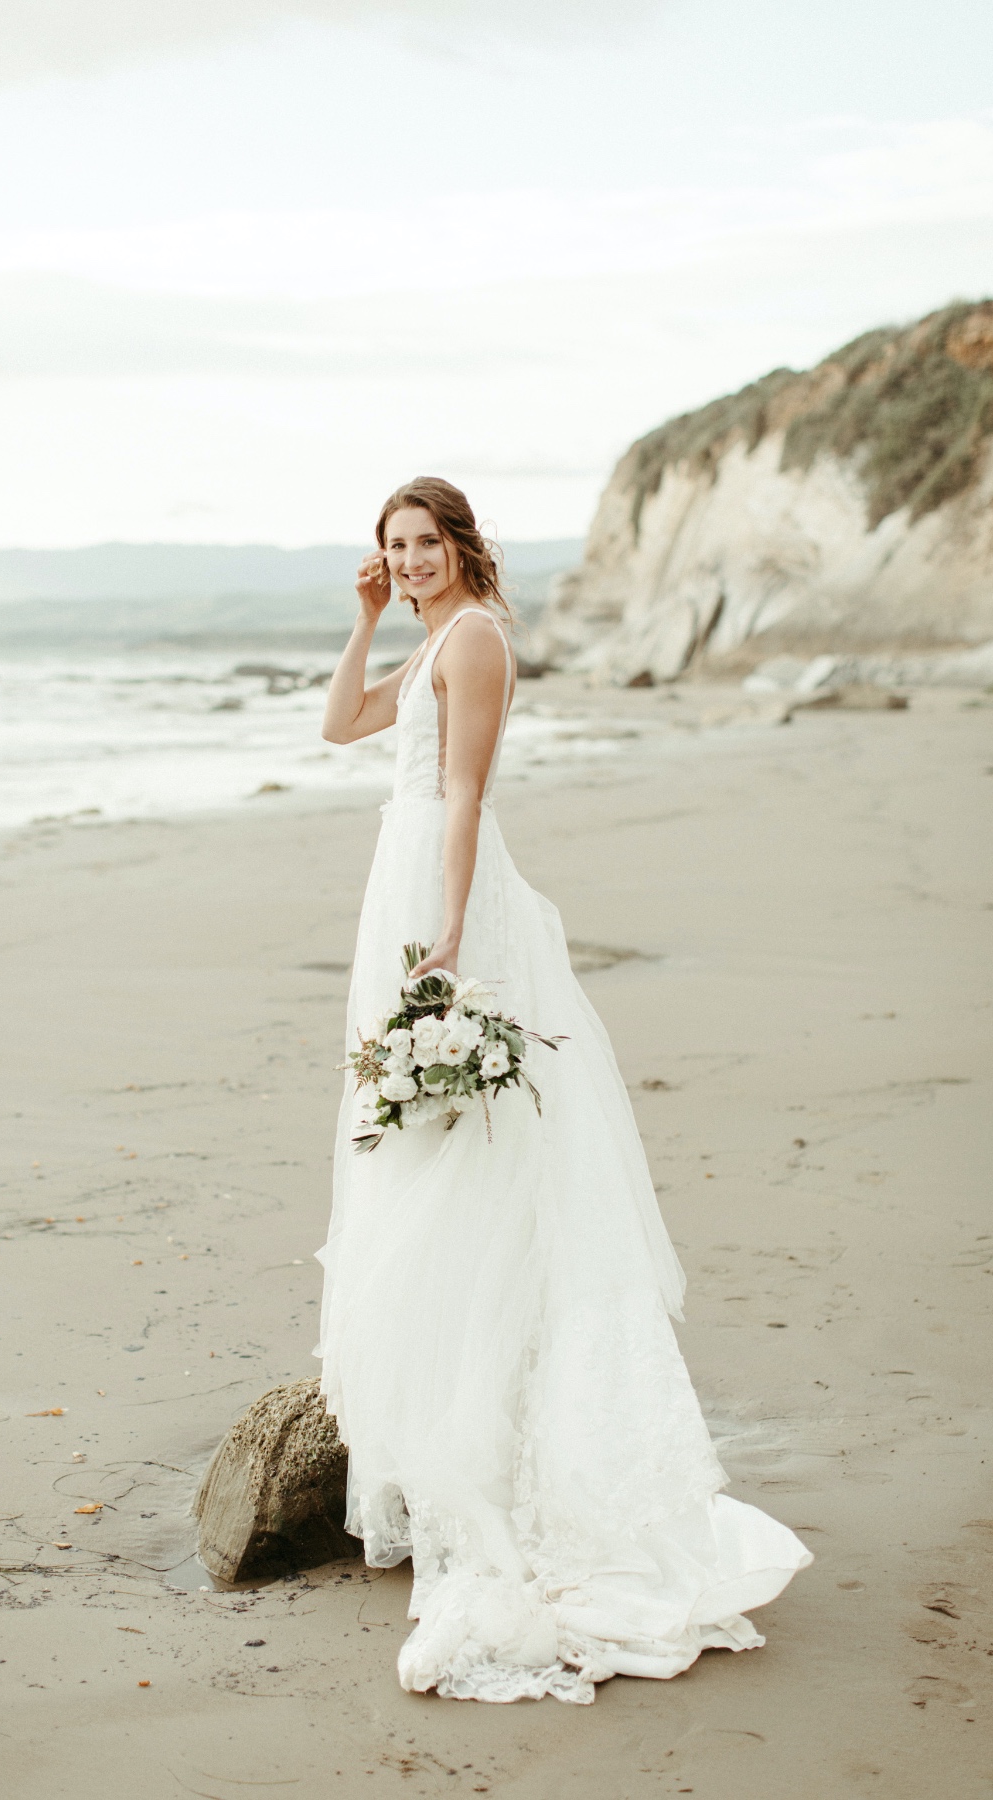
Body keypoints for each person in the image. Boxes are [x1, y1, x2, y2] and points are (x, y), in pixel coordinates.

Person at [316, 476, 810, 1704]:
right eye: (395, 548)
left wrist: (446, 932)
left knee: (479, 1162)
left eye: (426, 545)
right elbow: (339, 728)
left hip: (443, 889)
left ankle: (505, 1450)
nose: (413, 560)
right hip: (405, 874)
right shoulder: (429, 632)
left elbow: (467, 789)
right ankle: (461, 1437)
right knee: (434, 1157)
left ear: (462, 546)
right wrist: (368, 616)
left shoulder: (476, 639)